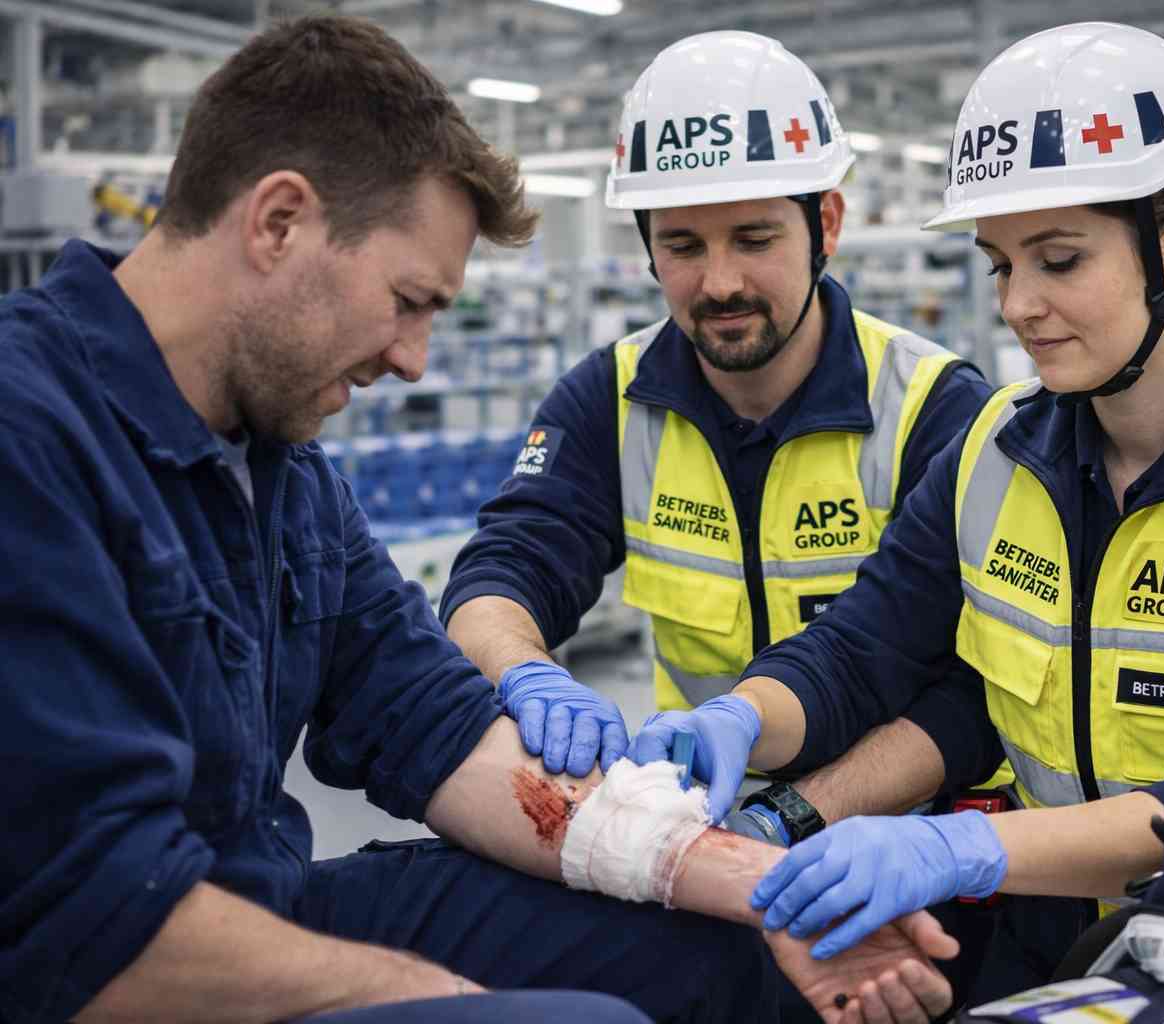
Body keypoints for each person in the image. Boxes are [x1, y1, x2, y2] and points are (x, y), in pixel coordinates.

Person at [0, 17, 957, 1024]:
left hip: (248, 898)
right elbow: (84, 925)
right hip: (112, 961)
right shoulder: (32, 441)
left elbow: (434, 723)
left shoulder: (281, 468)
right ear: (279, 222)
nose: (414, 361)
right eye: (408, 300)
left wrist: (757, 884)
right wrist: (440, 998)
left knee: (725, 947)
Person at [631, 20, 1164, 999]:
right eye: (1002, 264)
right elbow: (864, 648)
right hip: (1037, 923)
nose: (1017, 305)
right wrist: (742, 719)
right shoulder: (996, 447)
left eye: (1058, 260)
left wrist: (959, 848)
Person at [440, 30, 1004, 838]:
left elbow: (975, 688)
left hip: (907, 839)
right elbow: (505, 565)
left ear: (826, 224)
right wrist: (525, 671)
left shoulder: (934, 409)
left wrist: (796, 814)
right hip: (700, 827)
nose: (721, 282)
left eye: (754, 238)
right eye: (682, 245)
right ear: (647, 249)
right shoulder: (609, 399)